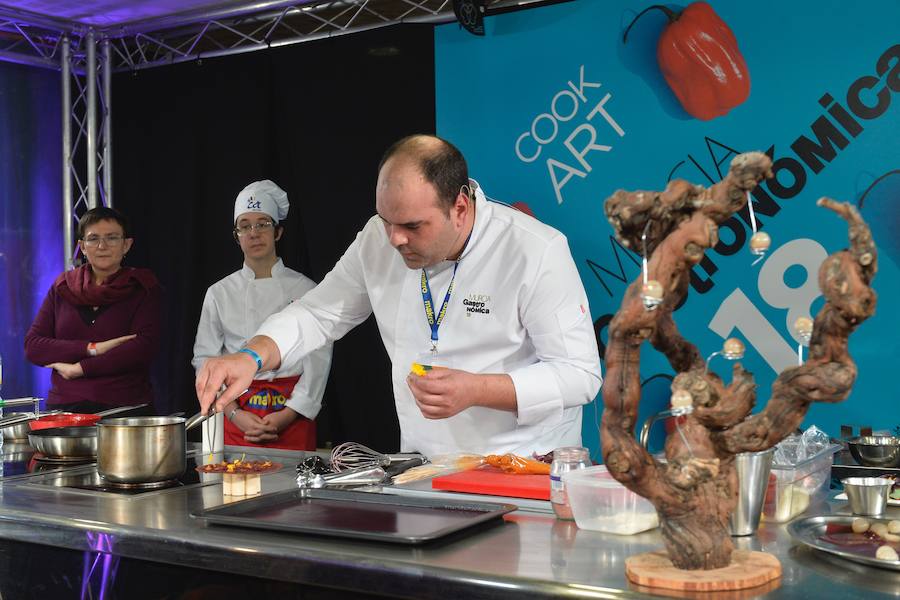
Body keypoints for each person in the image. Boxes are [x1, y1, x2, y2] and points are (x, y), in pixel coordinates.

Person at [197, 135, 602, 457]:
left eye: (412, 225)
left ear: (460, 207)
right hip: (425, 466)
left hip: (523, 463)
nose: (395, 239)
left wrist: (477, 389)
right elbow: (318, 312)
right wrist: (251, 355)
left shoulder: (534, 249)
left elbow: (579, 375)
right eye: (386, 219)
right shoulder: (379, 239)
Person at [192, 180, 332, 450]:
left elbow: (319, 360)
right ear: (237, 235)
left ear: (278, 232)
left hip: (291, 410)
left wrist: (289, 413)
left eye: (262, 224)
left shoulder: (305, 288)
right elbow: (205, 359)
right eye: (245, 226)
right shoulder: (218, 293)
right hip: (235, 409)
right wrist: (234, 412)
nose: (254, 233)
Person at [24, 207, 161, 412]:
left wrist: (80, 369)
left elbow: (143, 347)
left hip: (125, 409)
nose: (102, 246)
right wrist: (91, 348)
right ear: (82, 247)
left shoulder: (143, 287)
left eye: (112, 238)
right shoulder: (63, 286)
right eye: (93, 238)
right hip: (65, 410)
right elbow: (34, 347)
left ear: (126, 245)